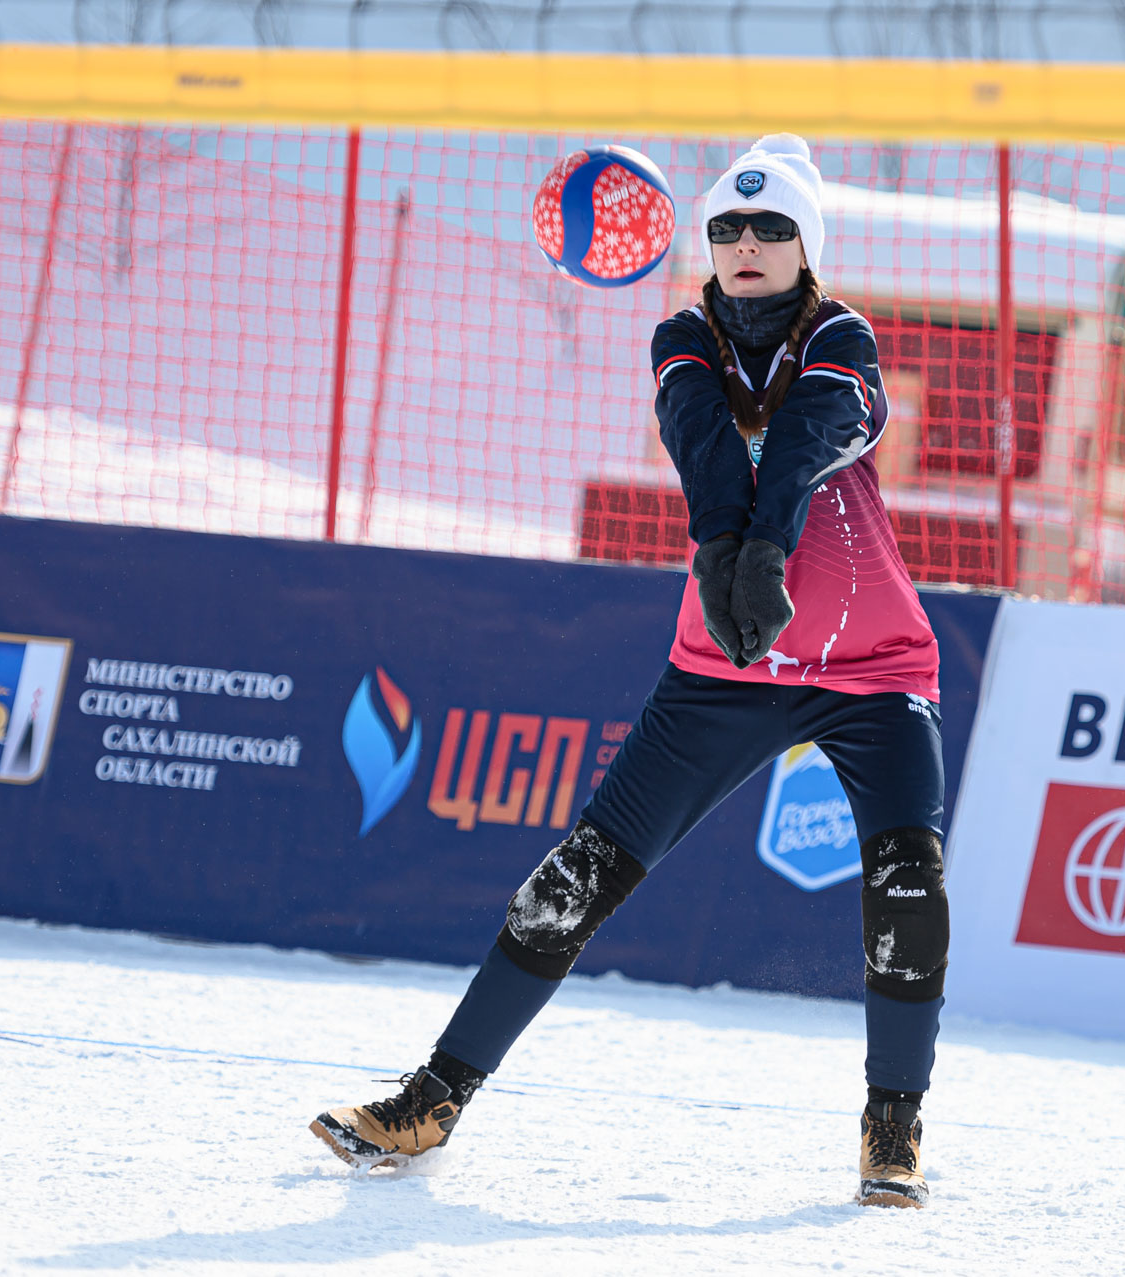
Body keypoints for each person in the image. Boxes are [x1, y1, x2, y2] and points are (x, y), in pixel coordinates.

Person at [311, 134, 947, 1209]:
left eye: (771, 227)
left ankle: (893, 1122)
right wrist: (723, 548)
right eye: (728, 228)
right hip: (725, 664)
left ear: (807, 245)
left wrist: (763, 545)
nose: (746, 243)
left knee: (908, 889)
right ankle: (432, 1099)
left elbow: (806, 438)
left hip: (872, 665)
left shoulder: (844, 337)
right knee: (573, 880)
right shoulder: (680, 339)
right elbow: (703, 443)